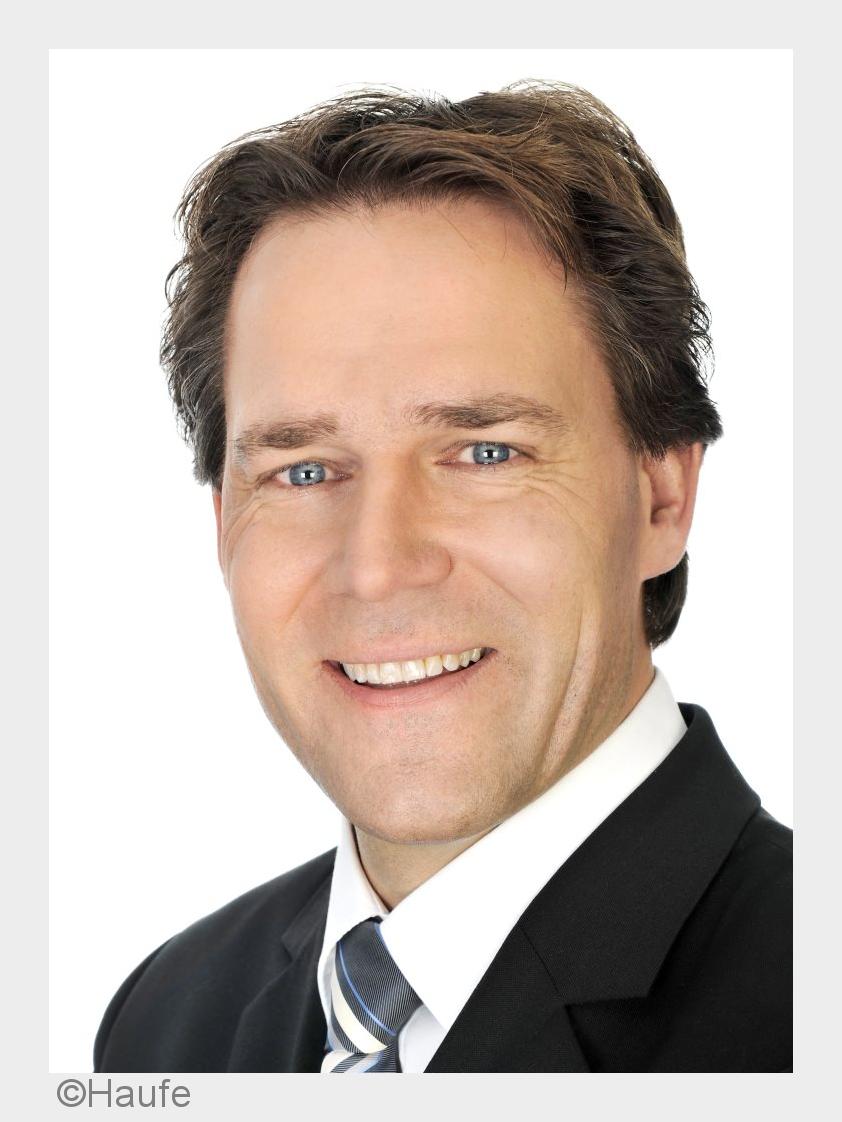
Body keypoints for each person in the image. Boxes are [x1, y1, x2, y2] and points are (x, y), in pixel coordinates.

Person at [93, 81, 792, 1073]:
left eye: (484, 452)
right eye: (302, 470)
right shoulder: (167, 1019)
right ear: (221, 523)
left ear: (660, 499)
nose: (377, 569)